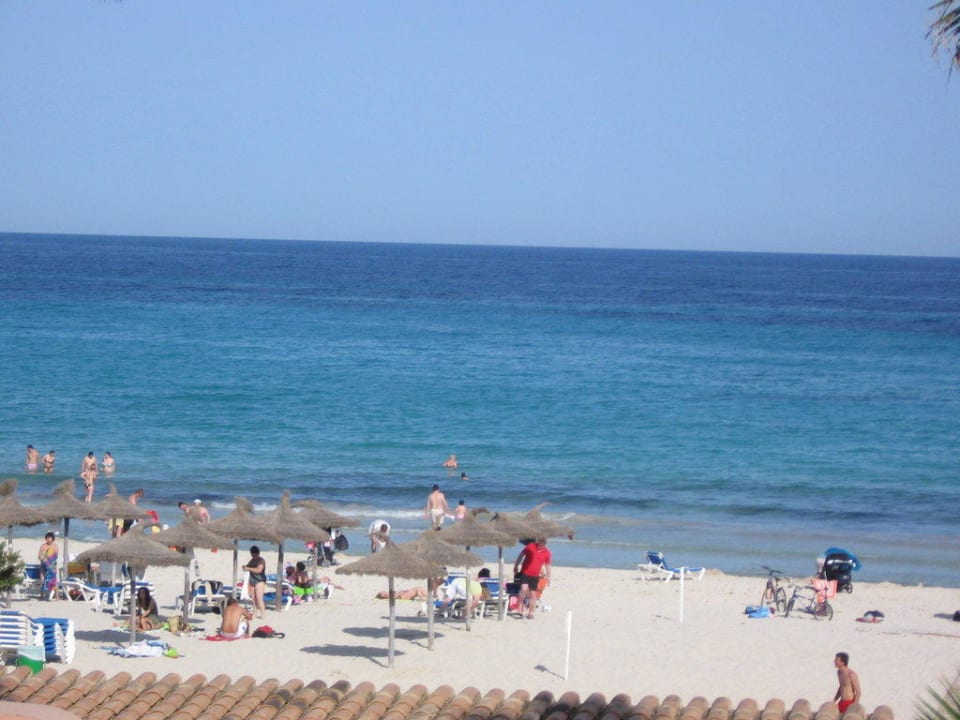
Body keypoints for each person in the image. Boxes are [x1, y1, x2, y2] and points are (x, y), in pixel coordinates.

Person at [513, 536, 551, 619]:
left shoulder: (547, 553)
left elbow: (547, 565)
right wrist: (516, 566)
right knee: (524, 589)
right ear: (537, 542)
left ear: (545, 544)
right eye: (539, 544)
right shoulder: (531, 546)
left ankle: (531, 613)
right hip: (525, 572)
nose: (540, 546)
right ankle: (519, 609)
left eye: (542, 545)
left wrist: (549, 576)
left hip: (535, 575)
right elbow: (521, 555)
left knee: (533, 594)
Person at [242, 545, 267, 619]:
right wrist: (245, 567)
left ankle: (263, 614)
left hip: (259, 580)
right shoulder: (252, 559)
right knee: (253, 598)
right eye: (252, 555)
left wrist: (249, 568)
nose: (253, 556)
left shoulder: (261, 561)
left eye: (254, 555)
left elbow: (259, 570)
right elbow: (248, 566)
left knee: (259, 599)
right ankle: (255, 613)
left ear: (257, 553)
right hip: (252, 579)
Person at [37, 532, 58, 601]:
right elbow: (39, 555)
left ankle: (57, 596)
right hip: (43, 565)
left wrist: (49, 559)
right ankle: (41, 596)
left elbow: (56, 556)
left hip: (52, 565)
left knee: (54, 580)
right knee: (42, 580)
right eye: (48, 538)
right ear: (46, 538)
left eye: (50, 538)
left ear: (53, 538)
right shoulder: (43, 546)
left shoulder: (55, 546)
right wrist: (43, 558)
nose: (49, 539)